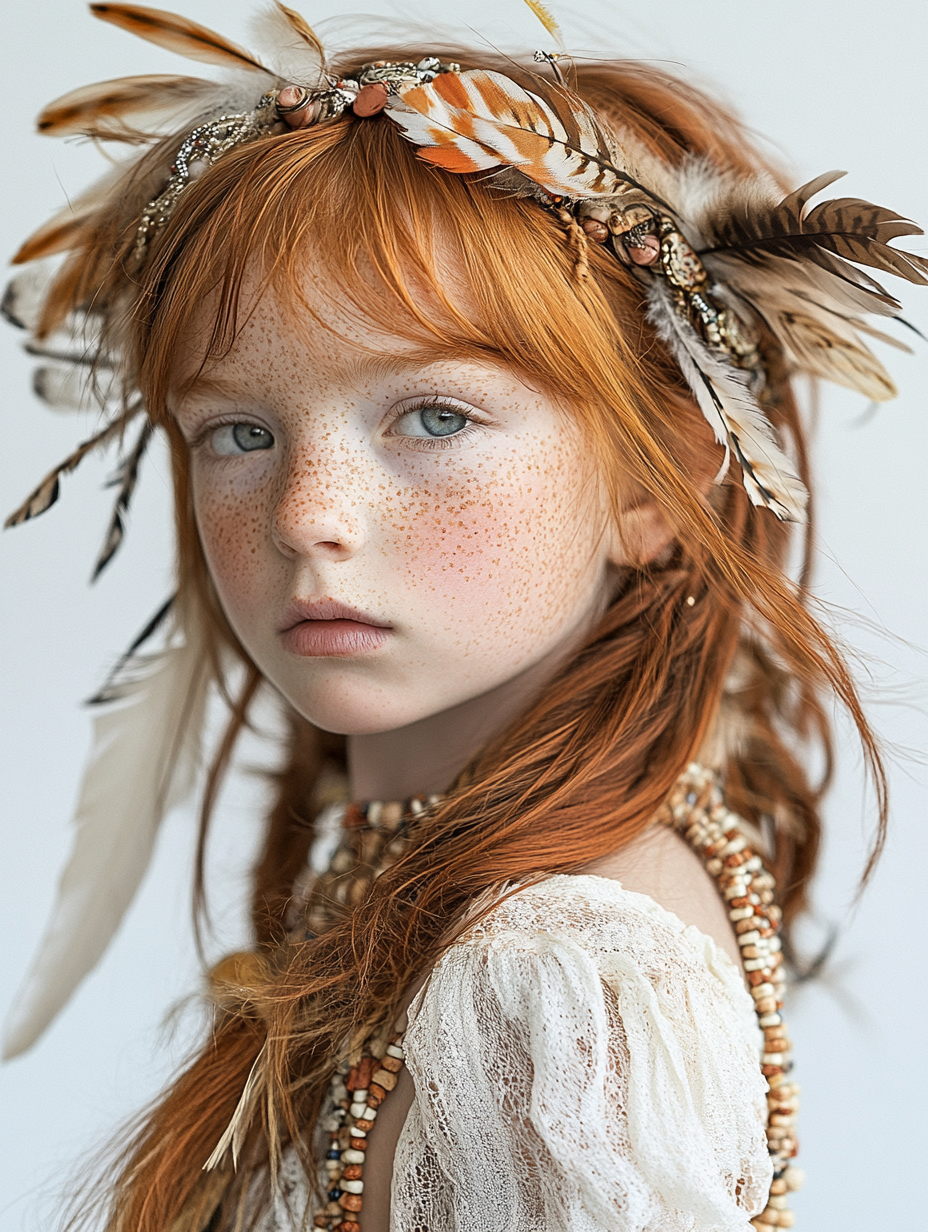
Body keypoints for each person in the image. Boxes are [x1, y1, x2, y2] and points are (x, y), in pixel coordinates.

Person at [2, 4, 924, 1230]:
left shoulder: (549, 978)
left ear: (657, 481)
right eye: (239, 430)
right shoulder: (431, 879)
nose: (303, 516)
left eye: (433, 417)